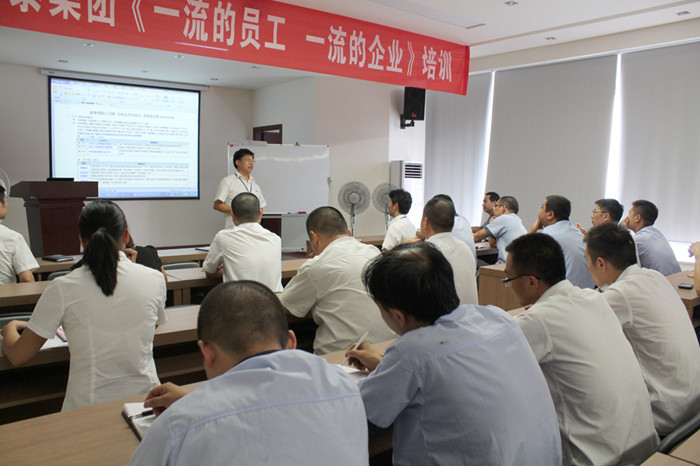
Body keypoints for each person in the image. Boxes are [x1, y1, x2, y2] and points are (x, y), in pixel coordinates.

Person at [346, 242, 561, 465]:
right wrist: (384, 365)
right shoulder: (497, 318)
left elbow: (363, 417)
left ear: (398, 316)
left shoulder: (411, 351)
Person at [130, 281, 368, 465]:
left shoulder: (177, 427)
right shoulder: (344, 387)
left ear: (207, 352)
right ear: (291, 342)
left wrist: (193, 405)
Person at [505, 233, 658, 465]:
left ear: (531, 282)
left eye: (509, 278)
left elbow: (495, 367)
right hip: (646, 448)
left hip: (602, 459)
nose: (508, 285)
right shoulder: (593, 299)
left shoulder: (539, 320)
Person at [1, 200, 166, 411]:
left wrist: (9, 328)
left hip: (87, 409)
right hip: (146, 404)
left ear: (81, 239)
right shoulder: (154, 279)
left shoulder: (63, 286)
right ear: (126, 235)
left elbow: (18, 356)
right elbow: (151, 326)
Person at [584, 222, 700, 436]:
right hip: (693, 403)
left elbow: (582, 325)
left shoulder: (621, 294)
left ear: (600, 263)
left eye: (587, 261)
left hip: (668, 416)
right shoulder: (654, 276)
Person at [280, 206, 395, 354]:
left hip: (344, 356)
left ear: (314, 237)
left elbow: (288, 307)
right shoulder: (374, 253)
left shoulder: (316, 266)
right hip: (386, 350)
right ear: (349, 232)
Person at [203, 193, 282, 292]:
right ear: (260, 213)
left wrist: (228, 268)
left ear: (232, 215)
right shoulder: (276, 239)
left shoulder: (223, 237)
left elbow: (209, 271)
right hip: (274, 299)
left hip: (242, 300)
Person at [528, 195, 594, 288]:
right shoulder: (577, 233)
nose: (539, 212)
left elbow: (518, 260)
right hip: (587, 292)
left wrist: (531, 231)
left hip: (564, 294)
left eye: (542, 208)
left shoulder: (547, 236)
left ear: (550, 214)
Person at [421, 197, 478, 304]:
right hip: (470, 312)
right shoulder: (464, 248)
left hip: (444, 314)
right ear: (453, 223)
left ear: (426, 222)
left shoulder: (427, 252)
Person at [623, 200, 681, 276]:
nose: (626, 217)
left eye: (629, 213)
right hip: (677, 279)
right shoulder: (657, 234)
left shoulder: (639, 240)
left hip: (664, 281)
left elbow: (615, 255)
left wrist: (620, 228)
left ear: (637, 218)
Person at [213, 148, 266, 230]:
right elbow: (217, 205)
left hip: (253, 230)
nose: (251, 163)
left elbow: (261, 207)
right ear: (237, 162)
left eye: (253, 161)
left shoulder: (255, 185)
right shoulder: (228, 181)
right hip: (234, 230)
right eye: (248, 160)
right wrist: (239, 211)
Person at [0, 185, 38, 284]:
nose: (7, 205)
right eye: (5, 201)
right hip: (5, 294)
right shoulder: (12, 237)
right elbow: (27, 279)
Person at [473, 195, 526, 264]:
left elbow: (478, 235)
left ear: (503, 208)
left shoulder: (504, 218)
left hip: (505, 266)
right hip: (515, 265)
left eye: (496, 206)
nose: (494, 209)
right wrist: (491, 224)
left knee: (472, 260)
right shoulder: (517, 220)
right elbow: (492, 244)